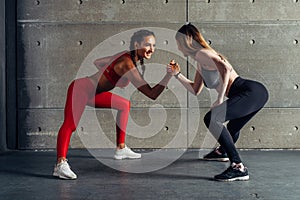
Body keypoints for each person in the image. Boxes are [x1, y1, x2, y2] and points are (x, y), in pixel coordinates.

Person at [53, 30, 173, 180]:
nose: (152, 49)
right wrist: (169, 75)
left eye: (154, 45)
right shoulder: (128, 65)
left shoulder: (126, 56)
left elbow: (97, 62)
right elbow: (152, 94)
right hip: (81, 89)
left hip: (92, 93)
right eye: (147, 44)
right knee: (71, 124)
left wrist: (112, 76)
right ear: (137, 45)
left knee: (124, 104)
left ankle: (121, 148)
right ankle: (60, 164)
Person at [170, 23, 268, 181]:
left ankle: (238, 167)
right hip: (255, 94)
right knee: (232, 128)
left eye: (178, 44)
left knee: (212, 118)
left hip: (249, 91)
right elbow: (195, 89)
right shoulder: (200, 61)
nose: (178, 48)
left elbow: (225, 69)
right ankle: (221, 152)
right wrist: (177, 74)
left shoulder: (202, 53)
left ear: (186, 42)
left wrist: (220, 98)